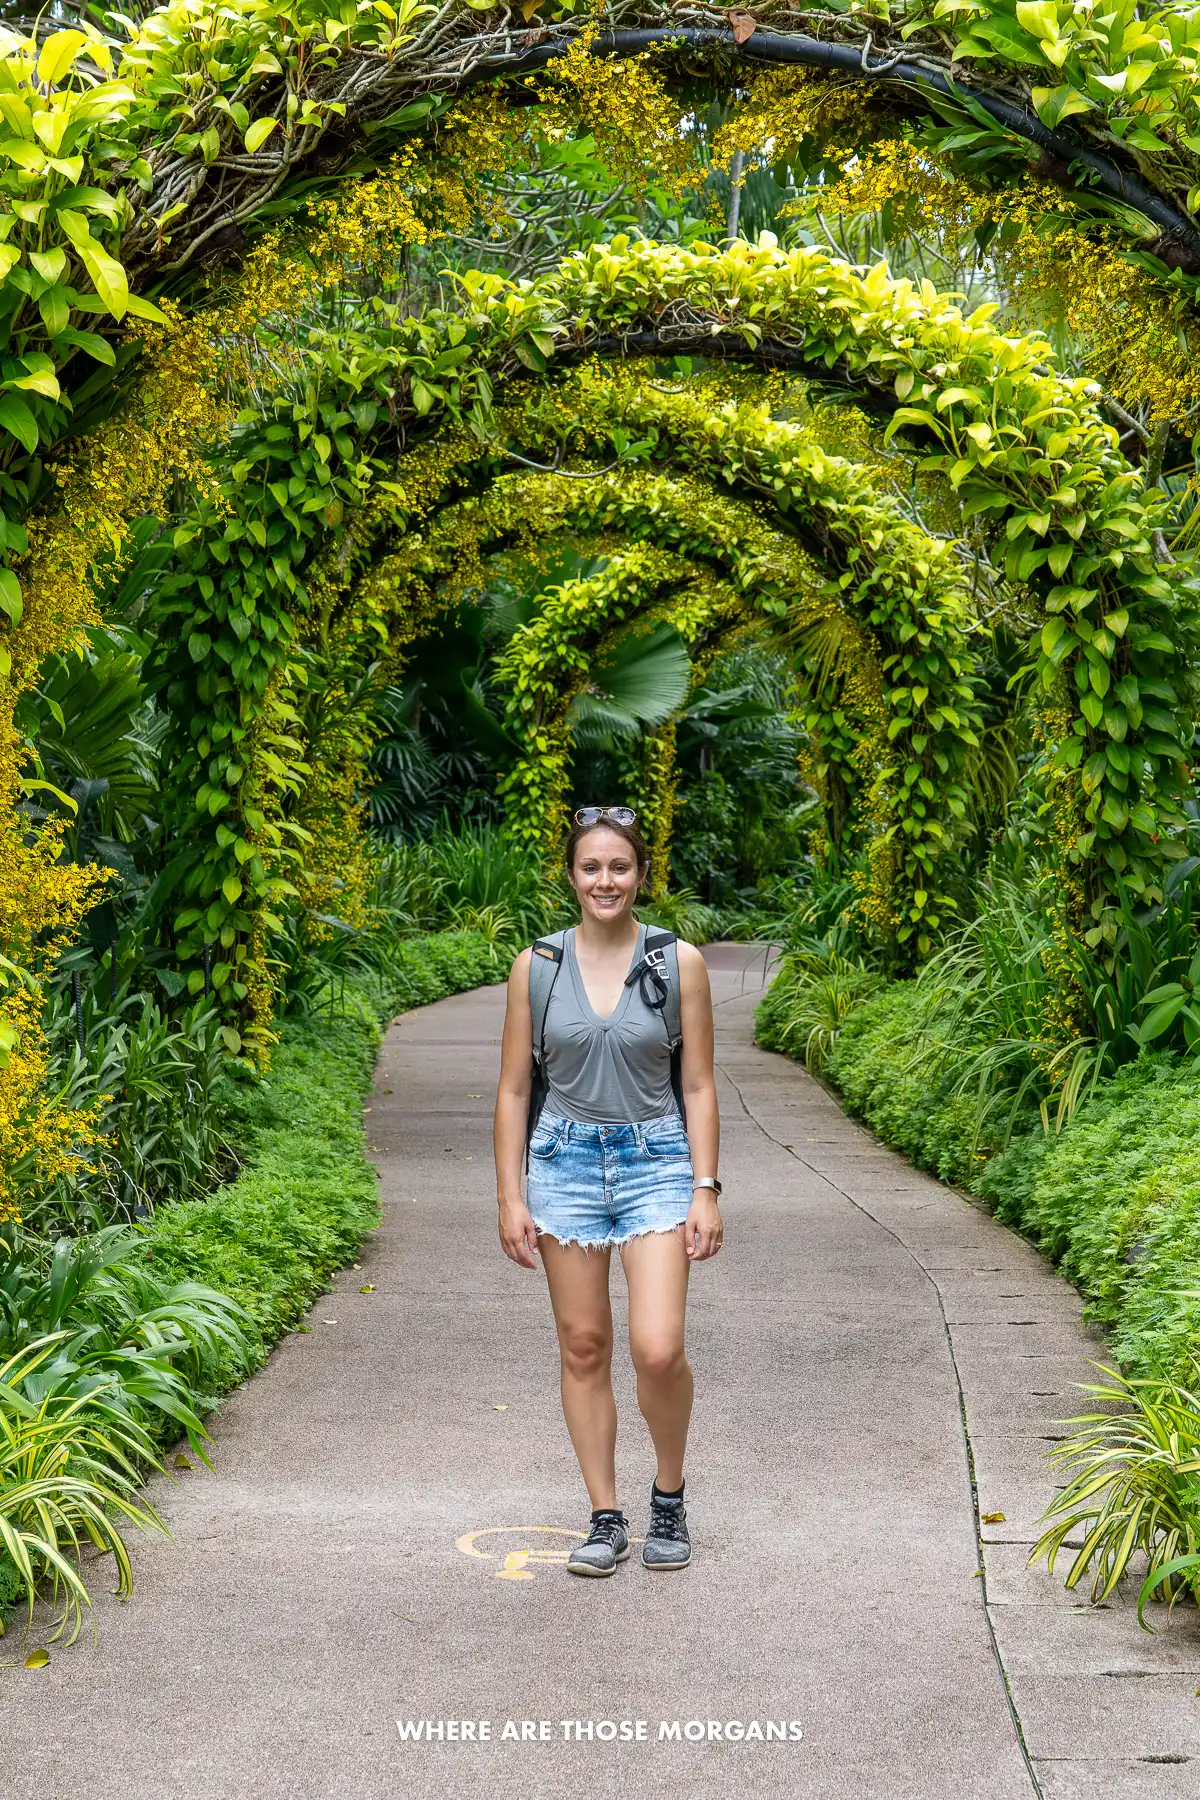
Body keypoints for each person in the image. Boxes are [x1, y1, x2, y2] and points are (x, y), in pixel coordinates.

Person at [493, 804, 723, 1577]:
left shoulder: (676, 962)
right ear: (570, 876)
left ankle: (668, 1494)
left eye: (619, 866)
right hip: (563, 1163)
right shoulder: (537, 966)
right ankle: (605, 1515)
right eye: (591, 866)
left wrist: (705, 1187)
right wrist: (510, 1196)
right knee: (584, 1345)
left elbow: (697, 1086)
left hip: (656, 1157)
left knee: (657, 1348)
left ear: (642, 875)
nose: (605, 880)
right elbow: (513, 1091)